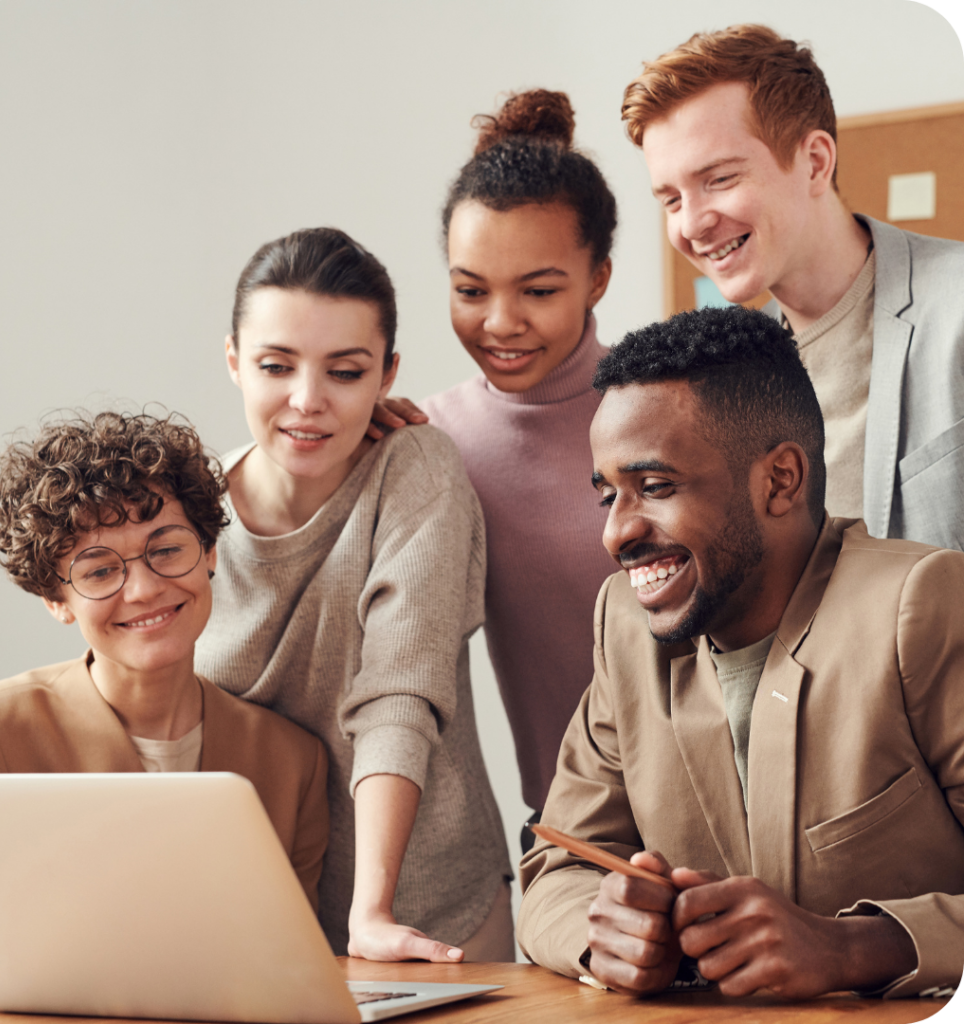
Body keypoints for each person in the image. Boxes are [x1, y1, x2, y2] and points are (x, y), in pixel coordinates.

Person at [518, 305, 964, 1000]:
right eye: (609, 495)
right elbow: (557, 866)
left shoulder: (920, 606)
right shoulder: (627, 626)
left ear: (780, 481)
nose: (616, 533)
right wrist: (601, 931)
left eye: (655, 488)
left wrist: (855, 947)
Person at [193, 227, 513, 962]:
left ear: (386, 375)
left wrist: (371, 913)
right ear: (236, 362)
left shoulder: (415, 471)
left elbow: (398, 692)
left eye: (344, 372)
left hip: (424, 914)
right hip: (254, 921)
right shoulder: (189, 508)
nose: (307, 402)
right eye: (277, 366)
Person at [0, 411, 329, 910]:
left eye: (166, 549)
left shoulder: (293, 762)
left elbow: (291, 969)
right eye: (100, 571)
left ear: (210, 553)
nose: (145, 590)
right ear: (55, 599)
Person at [373, 90, 618, 842]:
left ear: (598, 278)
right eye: (470, 290)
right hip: (571, 831)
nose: (500, 323)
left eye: (539, 291)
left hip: (731, 809)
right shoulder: (429, 439)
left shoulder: (667, 408)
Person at [621, 24, 964, 550]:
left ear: (815, 162)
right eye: (670, 199)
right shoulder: (727, 379)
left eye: (719, 179)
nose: (690, 225)